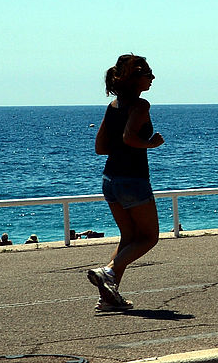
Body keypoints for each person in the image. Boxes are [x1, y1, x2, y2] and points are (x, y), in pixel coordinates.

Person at [89, 54, 165, 312]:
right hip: (133, 179)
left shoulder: (113, 106)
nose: (153, 78)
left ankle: (108, 298)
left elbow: (100, 147)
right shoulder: (140, 106)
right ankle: (108, 271)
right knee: (149, 237)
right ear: (135, 79)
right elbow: (130, 137)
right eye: (148, 74)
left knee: (128, 237)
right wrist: (150, 143)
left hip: (110, 179)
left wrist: (122, 147)